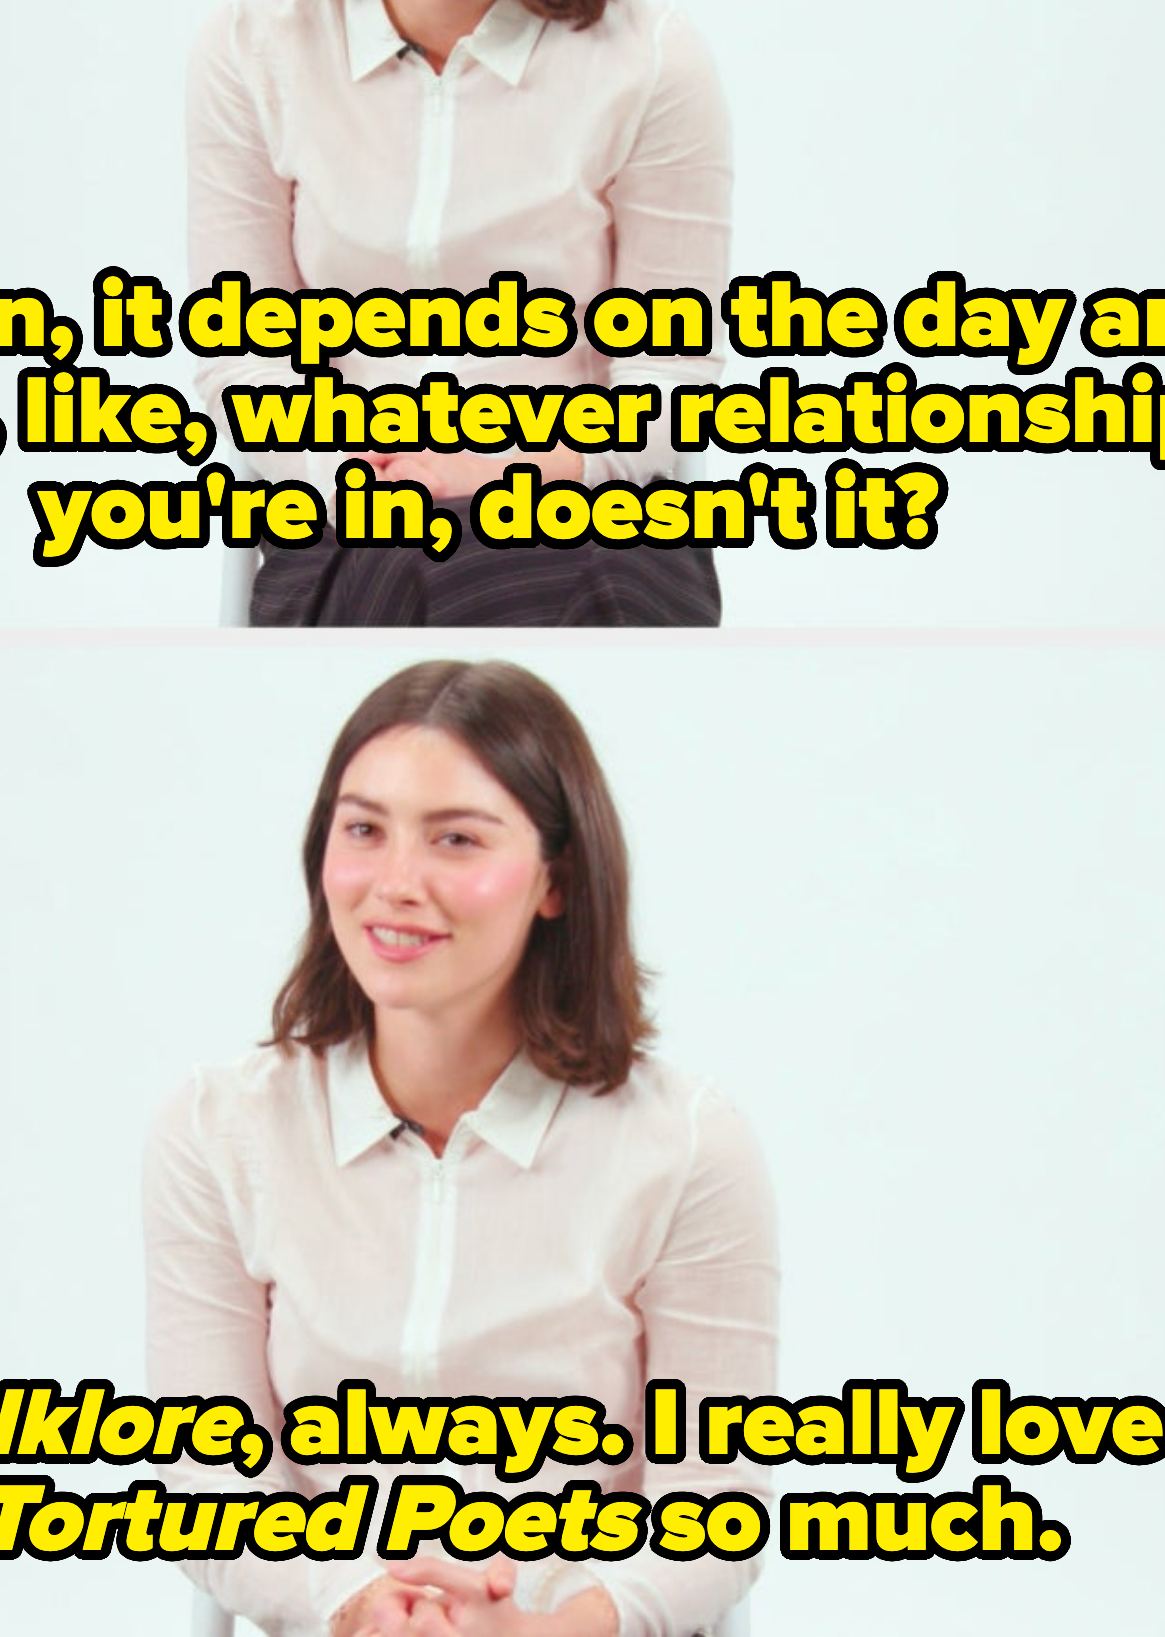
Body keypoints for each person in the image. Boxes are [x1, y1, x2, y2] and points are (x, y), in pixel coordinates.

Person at [144, 661, 778, 1635]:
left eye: (454, 838)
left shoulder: (686, 1144)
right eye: (363, 830)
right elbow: (207, 1476)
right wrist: (357, 1601)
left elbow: (716, 1508)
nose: (395, 883)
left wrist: (547, 1626)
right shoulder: (219, 1128)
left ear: (556, 880)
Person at [189, 0, 731, 626]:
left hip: (582, 523)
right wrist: (365, 471)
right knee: (396, 573)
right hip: (344, 521)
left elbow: (669, 396)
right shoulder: (253, 47)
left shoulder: (648, 62)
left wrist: (501, 464)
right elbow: (240, 364)